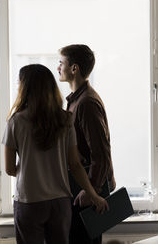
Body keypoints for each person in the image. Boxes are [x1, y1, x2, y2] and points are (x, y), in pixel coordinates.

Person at [2, 64, 108, 244]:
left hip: (29, 201)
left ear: (24, 87)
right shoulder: (65, 119)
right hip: (59, 203)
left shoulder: (16, 122)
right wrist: (94, 195)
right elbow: (75, 165)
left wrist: (30, 166)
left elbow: (10, 169)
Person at [58, 44, 115, 244]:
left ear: (74, 68)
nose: (58, 68)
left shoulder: (86, 103)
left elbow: (100, 152)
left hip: (86, 190)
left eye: (61, 63)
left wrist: (91, 190)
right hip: (79, 186)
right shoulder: (76, 100)